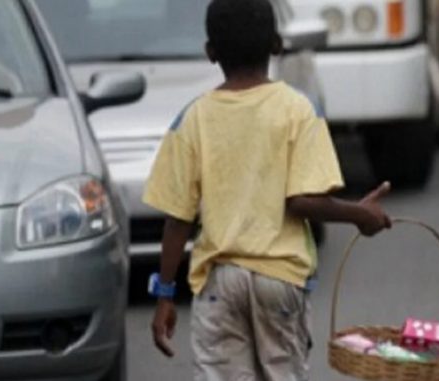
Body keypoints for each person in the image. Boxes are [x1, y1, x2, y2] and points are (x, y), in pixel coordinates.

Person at [143, 0, 392, 379]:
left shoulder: (192, 118)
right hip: (280, 280)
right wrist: (360, 214)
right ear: (276, 44)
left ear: (211, 52)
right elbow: (303, 201)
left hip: (219, 282)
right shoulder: (298, 110)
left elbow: (177, 219)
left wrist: (164, 295)